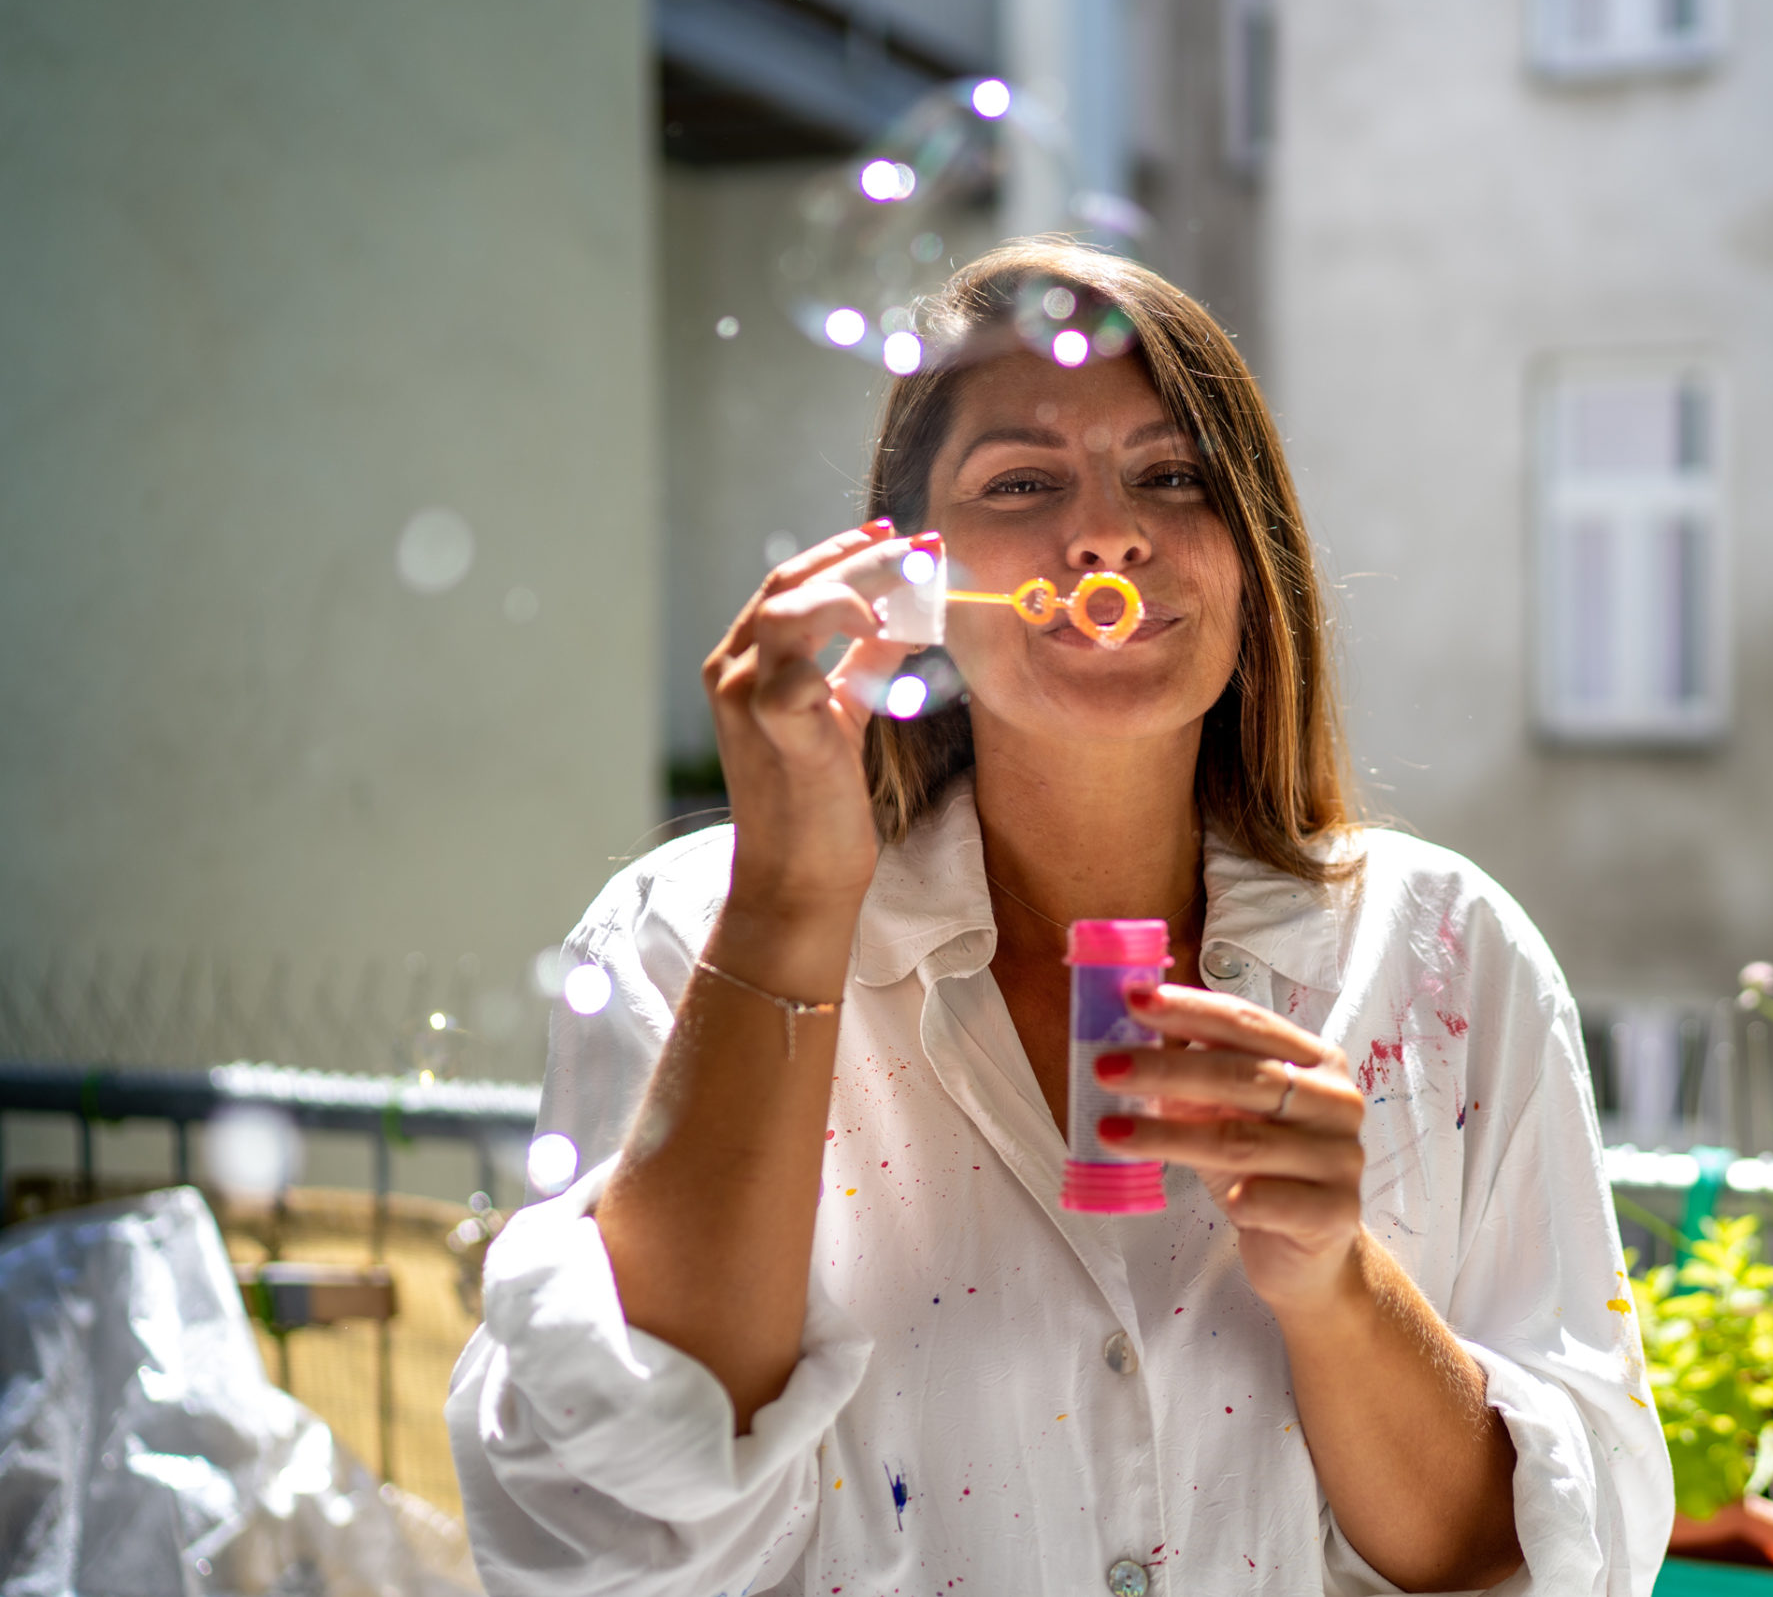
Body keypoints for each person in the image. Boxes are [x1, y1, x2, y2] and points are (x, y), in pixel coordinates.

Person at [446, 239, 1670, 1596]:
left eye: (1171, 473)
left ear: (1251, 558)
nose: (1106, 533)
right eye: (1022, 483)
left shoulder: (1445, 956)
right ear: (911, 576)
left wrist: (1334, 1280)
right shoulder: (685, 934)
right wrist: (792, 901)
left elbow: (1545, 1564)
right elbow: (607, 1527)